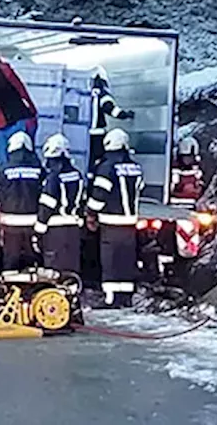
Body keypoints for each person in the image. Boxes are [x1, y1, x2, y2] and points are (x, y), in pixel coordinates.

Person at [86, 129, 143, 308]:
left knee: (111, 259)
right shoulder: (135, 167)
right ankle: (125, 297)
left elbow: (99, 194)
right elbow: (141, 186)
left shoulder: (106, 166)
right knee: (126, 259)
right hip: (130, 222)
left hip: (111, 222)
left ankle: (110, 298)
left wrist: (90, 213)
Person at [34, 133, 87, 275]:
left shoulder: (53, 178)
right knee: (71, 271)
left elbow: (46, 206)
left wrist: (38, 232)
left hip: (56, 231)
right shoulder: (77, 174)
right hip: (74, 229)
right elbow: (82, 202)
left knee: (54, 272)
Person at [0, 130, 43, 279]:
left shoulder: (3, 169)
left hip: (10, 222)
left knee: (10, 258)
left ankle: (10, 289)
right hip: (32, 222)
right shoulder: (38, 169)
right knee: (32, 257)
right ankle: (33, 289)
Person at [88, 66, 134, 172]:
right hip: (98, 134)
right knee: (100, 160)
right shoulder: (102, 94)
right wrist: (126, 114)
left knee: (89, 162)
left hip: (86, 136)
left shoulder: (85, 93)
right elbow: (111, 109)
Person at [170, 135, 204, 208]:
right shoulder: (173, 172)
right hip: (174, 206)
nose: (188, 160)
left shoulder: (198, 172)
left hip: (192, 207)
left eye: (191, 157)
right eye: (186, 157)